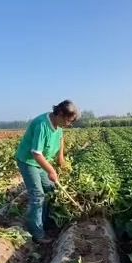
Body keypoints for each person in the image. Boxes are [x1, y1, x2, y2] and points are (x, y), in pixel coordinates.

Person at [15, 100, 80, 243]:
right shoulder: (42, 125)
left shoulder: (58, 123)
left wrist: (61, 158)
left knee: (50, 189)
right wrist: (51, 170)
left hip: (41, 161)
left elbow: (61, 138)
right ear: (61, 114)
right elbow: (36, 153)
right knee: (37, 195)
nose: (69, 125)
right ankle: (37, 234)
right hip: (29, 161)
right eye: (68, 121)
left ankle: (44, 222)